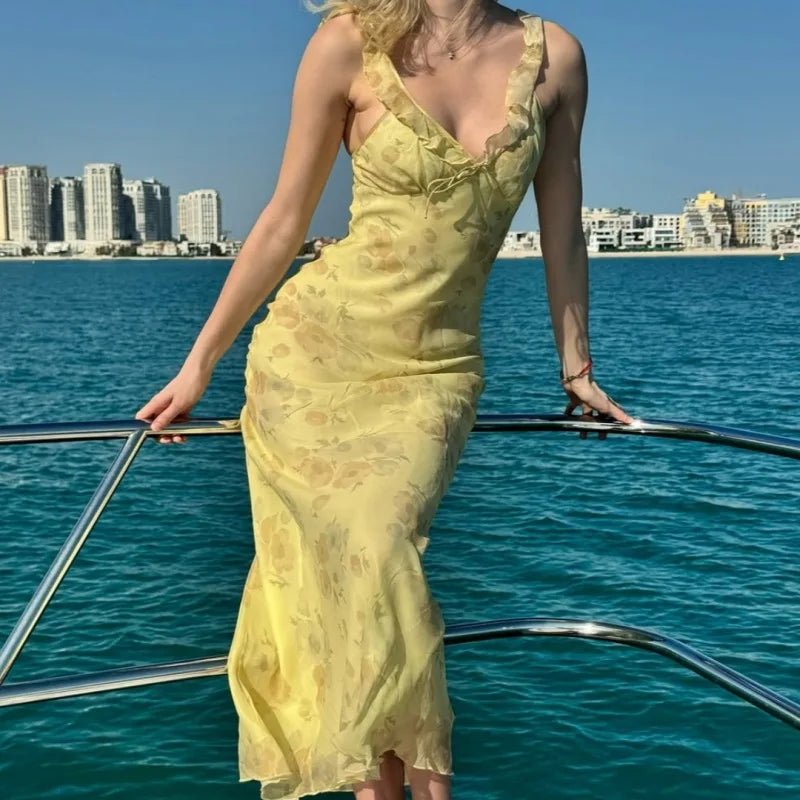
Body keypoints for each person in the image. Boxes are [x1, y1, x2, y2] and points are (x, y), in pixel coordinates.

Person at [135, 1, 635, 798]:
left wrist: (576, 366)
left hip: (436, 372)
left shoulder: (556, 58)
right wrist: (200, 365)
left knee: (378, 545)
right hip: (315, 357)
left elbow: (563, 228)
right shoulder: (349, 41)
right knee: (370, 564)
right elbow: (284, 220)